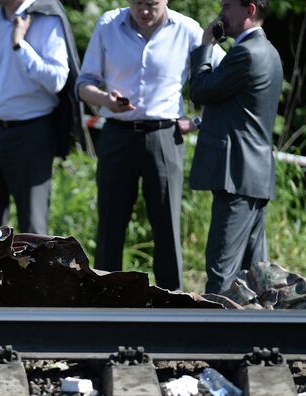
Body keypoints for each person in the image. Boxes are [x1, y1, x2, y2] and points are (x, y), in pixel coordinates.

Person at [77, 0, 223, 290]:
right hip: (117, 133)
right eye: (137, 3)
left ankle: (171, 305)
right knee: (109, 225)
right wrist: (106, 99)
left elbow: (224, 73)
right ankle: (105, 302)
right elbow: (83, 84)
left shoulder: (187, 29)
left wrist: (197, 121)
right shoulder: (108, 25)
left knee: (166, 226)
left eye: (152, 4)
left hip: (164, 135)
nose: (143, 10)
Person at [189, 0, 283, 295]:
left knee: (222, 273)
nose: (221, 14)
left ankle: (215, 338)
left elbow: (201, 89)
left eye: (228, 6)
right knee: (255, 276)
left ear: (250, 10)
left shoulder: (245, 53)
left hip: (237, 175)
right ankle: (258, 338)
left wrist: (206, 44)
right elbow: (242, 113)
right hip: (254, 176)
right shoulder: (269, 52)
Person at [0, 0, 79, 235]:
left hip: (30, 133)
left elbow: (57, 80)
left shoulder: (47, 18)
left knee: (33, 228)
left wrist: (20, 46)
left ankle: (34, 273)